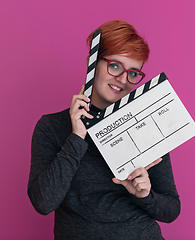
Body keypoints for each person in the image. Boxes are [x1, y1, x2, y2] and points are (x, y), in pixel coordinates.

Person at [28, 20, 180, 240]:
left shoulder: (146, 125)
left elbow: (171, 209)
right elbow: (43, 203)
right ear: (94, 64)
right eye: (115, 65)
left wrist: (145, 195)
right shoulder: (51, 128)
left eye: (133, 73)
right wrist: (77, 137)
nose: (123, 79)